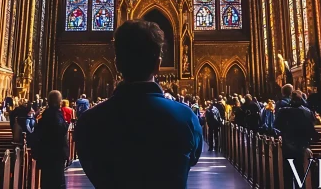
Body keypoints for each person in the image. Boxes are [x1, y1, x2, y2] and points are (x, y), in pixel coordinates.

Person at [75, 19, 203, 188]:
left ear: (117, 63)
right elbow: (192, 158)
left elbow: (91, 166)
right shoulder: (186, 118)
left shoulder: (88, 122)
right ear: (158, 65)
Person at [275, 84, 321, 176]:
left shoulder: (283, 111)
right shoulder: (307, 112)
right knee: (302, 172)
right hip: (302, 146)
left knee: (288, 173)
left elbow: (277, 126)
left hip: (287, 146)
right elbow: (312, 131)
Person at [30, 91, 69, 189]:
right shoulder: (56, 114)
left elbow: (38, 132)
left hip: (46, 154)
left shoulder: (45, 114)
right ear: (59, 102)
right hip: (56, 154)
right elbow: (61, 130)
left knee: (46, 181)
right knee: (57, 182)